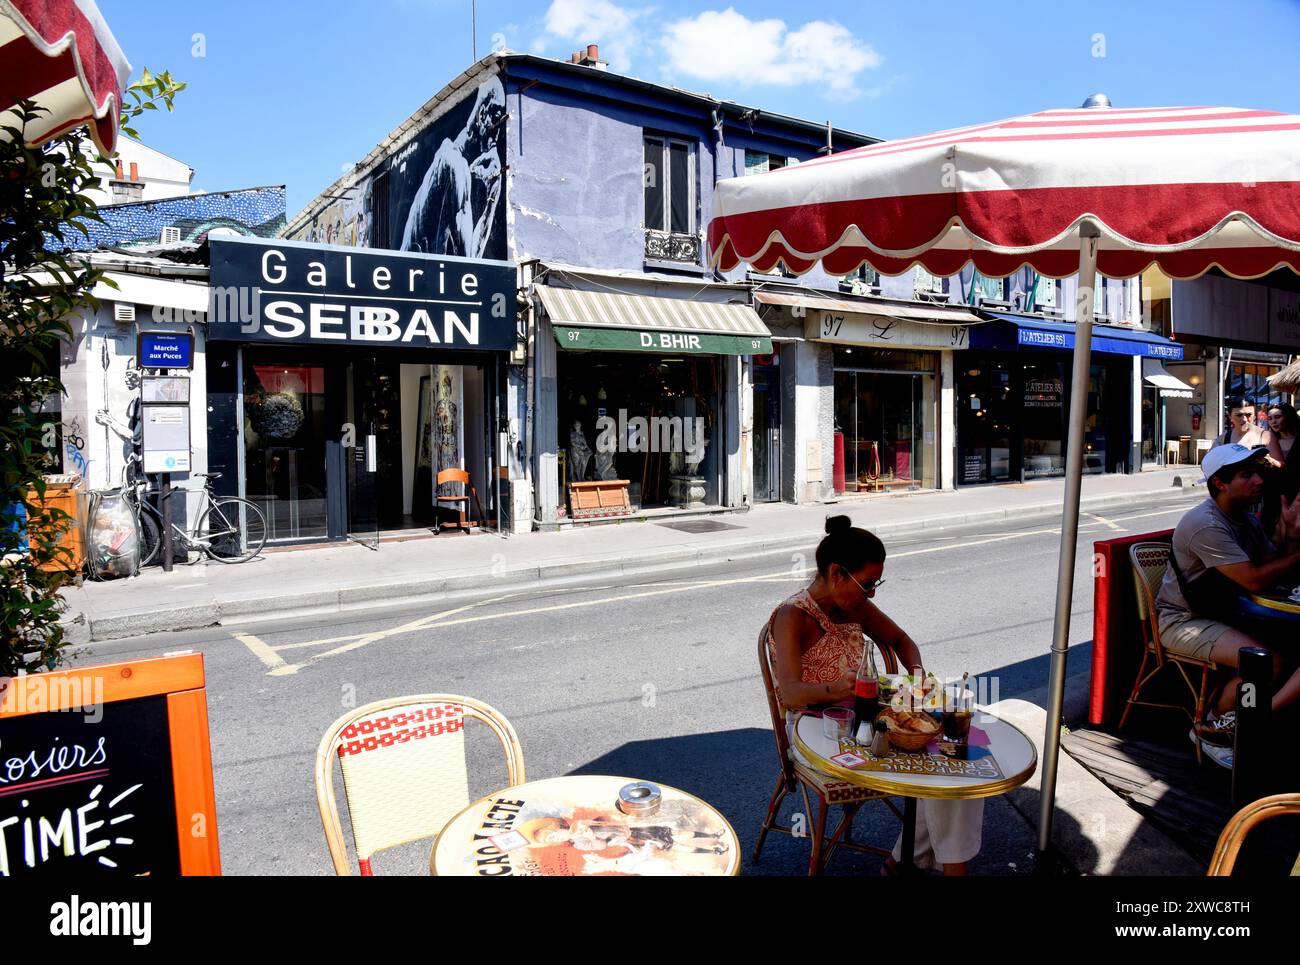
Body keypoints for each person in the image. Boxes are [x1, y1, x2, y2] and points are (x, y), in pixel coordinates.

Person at [764, 515, 982, 875]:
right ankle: (940, 867)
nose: (872, 593)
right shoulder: (793, 616)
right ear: (836, 574)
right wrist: (840, 687)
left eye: (876, 583)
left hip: (868, 718)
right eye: (867, 584)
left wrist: (915, 680)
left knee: (953, 755)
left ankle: (907, 861)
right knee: (933, 763)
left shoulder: (854, 607)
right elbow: (789, 694)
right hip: (814, 730)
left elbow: (902, 641)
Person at [1155, 443, 1300, 759]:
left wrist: (1290, 534)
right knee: (1267, 664)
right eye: (1247, 475)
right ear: (1220, 483)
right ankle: (1212, 727)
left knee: (1286, 649)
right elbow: (1255, 579)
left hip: (1223, 614)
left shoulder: (1244, 519)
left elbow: (1273, 564)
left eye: (1257, 473)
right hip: (1184, 620)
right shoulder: (1207, 523)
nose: (1259, 481)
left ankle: (1243, 720)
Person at [1263, 402, 1300, 538]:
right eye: (1270, 419)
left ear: (1289, 417)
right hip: (1273, 495)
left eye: (1278, 417)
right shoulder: (1270, 441)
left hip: (1296, 494)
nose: (1273, 422)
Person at [1214, 397, 1283, 466]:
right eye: (1239, 415)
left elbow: (1281, 466)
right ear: (1230, 416)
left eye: (1248, 415)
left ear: (1255, 415)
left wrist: (1269, 460)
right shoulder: (1222, 439)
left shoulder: (1266, 436)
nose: (1244, 419)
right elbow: (1209, 466)